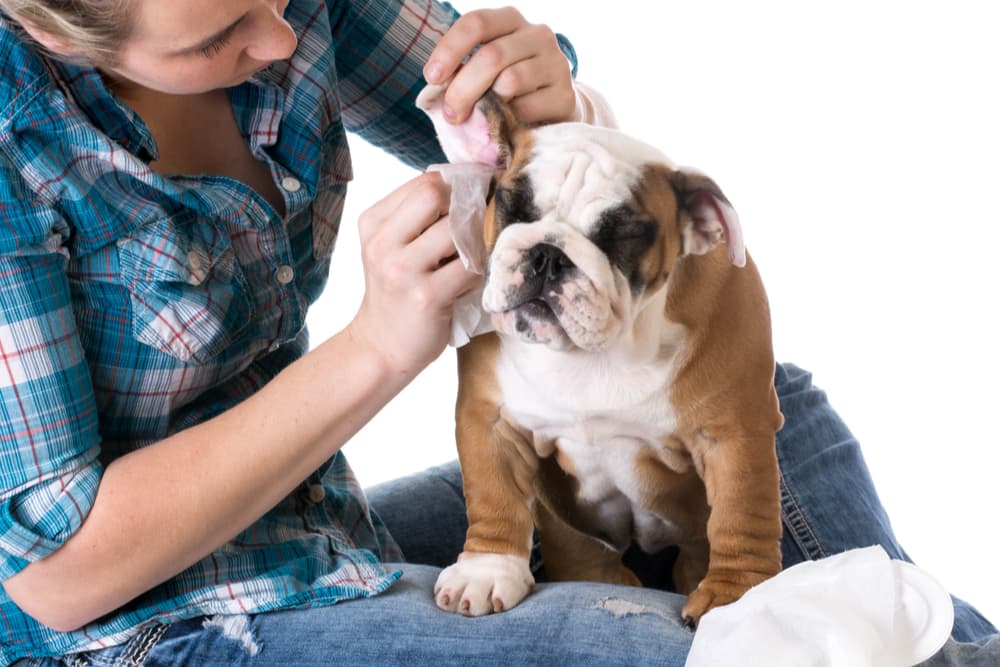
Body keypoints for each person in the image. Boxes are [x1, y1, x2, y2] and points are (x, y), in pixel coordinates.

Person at [0, 1, 994, 664]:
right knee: (685, 650)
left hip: (318, 523)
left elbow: (515, 131)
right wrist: (380, 347)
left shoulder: (285, 7)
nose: (278, 37)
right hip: (150, 623)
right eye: (215, 38)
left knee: (778, 414)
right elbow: (59, 575)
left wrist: (546, 96)